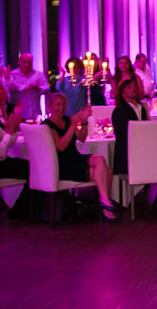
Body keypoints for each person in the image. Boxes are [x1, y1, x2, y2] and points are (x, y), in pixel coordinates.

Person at [42, 93, 120, 221]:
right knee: (107, 171)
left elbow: (82, 138)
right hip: (62, 165)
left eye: (63, 105)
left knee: (100, 159)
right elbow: (60, 146)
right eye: (58, 104)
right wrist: (73, 126)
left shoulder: (67, 120)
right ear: (50, 106)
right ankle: (105, 207)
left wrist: (83, 122)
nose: (61, 108)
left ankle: (105, 203)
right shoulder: (47, 125)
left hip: (75, 158)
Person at [111, 78, 149, 177]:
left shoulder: (142, 109)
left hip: (142, 150)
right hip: (128, 155)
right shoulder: (119, 111)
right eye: (129, 87)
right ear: (122, 93)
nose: (133, 89)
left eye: (134, 86)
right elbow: (123, 136)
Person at [6, 53, 49, 119]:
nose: (27, 65)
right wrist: (25, 88)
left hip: (36, 114)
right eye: (25, 62)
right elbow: (9, 88)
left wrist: (38, 88)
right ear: (19, 62)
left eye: (29, 62)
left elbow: (47, 88)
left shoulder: (38, 74)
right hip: (18, 115)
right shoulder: (12, 75)